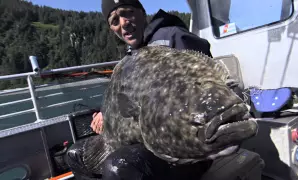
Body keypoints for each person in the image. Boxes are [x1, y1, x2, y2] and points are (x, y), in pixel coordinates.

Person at [65, 0, 214, 179]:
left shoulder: (174, 37)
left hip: (187, 149)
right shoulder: (132, 57)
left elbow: (206, 91)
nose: (123, 22)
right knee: (75, 155)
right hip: (146, 140)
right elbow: (125, 96)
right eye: (114, 21)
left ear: (142, 13)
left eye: (127, 12)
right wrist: (105, 113)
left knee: (118, 165)